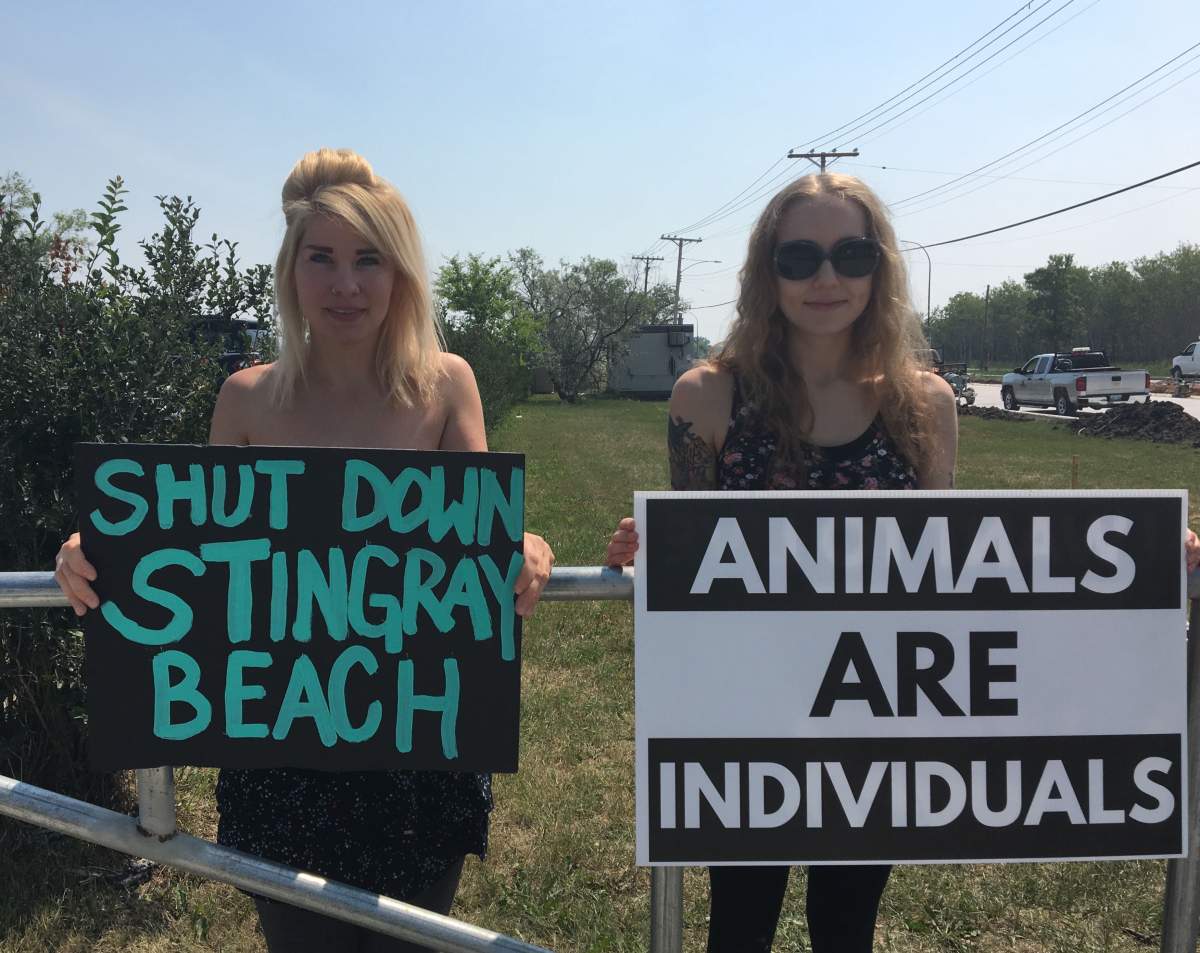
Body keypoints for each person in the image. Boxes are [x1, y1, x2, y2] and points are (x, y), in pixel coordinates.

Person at [54, 147, 554, 952]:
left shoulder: (447, 384)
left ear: (400, 275)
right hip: (280, 749)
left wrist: (526, 542)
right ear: (290, 269)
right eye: (321, 259)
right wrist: (102, 548)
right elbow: (204, 554)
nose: (346, 285)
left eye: (369, 260)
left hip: (415, 743)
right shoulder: (246, 398)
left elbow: (482, 526)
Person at [605, 172, 959, 953]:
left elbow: (948, 571)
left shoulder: (924, 404)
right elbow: (690, 569)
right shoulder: (707, 396)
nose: (826, 277)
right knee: (739, 926)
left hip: (875, 719)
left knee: (847, 928)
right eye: (799, 257)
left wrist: (1135, 554)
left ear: (880, 267)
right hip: (746, 715)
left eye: (851, 254)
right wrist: (648, 554)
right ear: (767, 272)